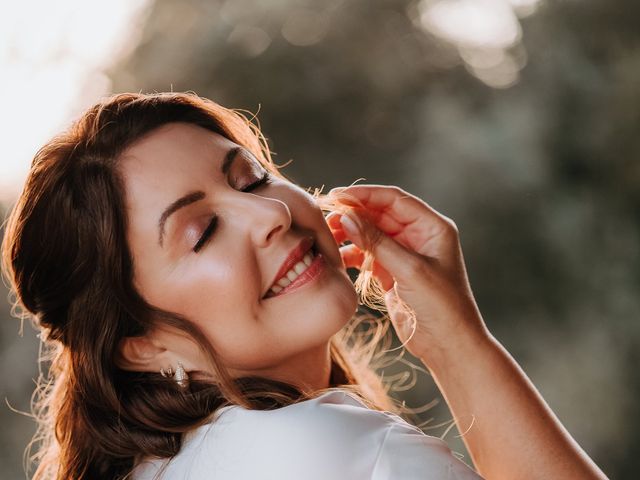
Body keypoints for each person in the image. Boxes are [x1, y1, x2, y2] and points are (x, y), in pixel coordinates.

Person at [0, 92, 608, 480]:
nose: (271, 216)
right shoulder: (324, 452)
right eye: (204, 231)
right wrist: (458, 343)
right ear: (140, 344)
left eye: (252, 179)